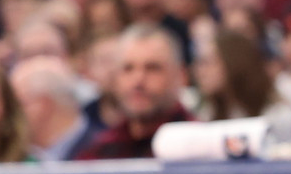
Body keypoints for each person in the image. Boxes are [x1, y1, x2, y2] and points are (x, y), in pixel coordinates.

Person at [74, 24, 191, 160]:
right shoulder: (97, 154)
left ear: (180, 76)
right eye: (128, 69)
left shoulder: (205, 150)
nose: (138, 81)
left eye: (152, 68)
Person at [12, 55, 93, 160]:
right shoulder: (21, 156)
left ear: (43, 105)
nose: (11, 115)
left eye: (17, 105)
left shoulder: (101, 152)